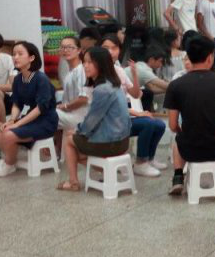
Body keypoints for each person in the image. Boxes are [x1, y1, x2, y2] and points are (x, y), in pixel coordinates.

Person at [164, 36, 215, 195]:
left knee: (178, 140)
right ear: (210, 57)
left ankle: (178, 177)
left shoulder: (176, 85)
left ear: (188, 56)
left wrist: (184, 132)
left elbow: (173, 125)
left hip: (190, 149)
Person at [57, 46, 132, 191]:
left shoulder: (102, 89)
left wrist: (78, 131)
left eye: (90, 62)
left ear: (101, 64)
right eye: (84, 62)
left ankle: (73, 182)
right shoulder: (113, 84)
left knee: (69, 141)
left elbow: (92, 121)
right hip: (122, 140)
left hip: (112, 142)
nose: (85, 66)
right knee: (77, 147)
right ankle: (108, 172)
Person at [100, 34, 165, 176]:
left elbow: (136, 94)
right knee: (148, 123)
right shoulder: (98, 73)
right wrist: (138, 113)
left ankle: (149, 159)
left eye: (114, 48)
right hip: (109, 123)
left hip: (124, 119)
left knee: (159, 125)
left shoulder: (119, 70)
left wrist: (134, 74)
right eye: (106, 48)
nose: (110, 52)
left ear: (119, 50)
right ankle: (141, 163)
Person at [0, 41, 58, 177]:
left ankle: (9, 164)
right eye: (14, 54)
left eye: (20, 54)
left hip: (46, 121)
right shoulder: (18, 79)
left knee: (8, 135)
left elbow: (40, 109)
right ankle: (8, 161)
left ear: (31, 58)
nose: (15, 57)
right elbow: (17, 103)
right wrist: (12, 120)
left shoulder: (41, 79)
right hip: (31, 118)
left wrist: (17, 124)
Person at [56, 36, 90, 140]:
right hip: (70, 114)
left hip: (80, 117)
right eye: (63, 47)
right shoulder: (70, 71)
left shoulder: (81, 70)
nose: (66, 50)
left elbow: (83, 99)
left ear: (79, 50)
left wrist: (65, 106)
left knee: (45, 114)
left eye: (70, 47)